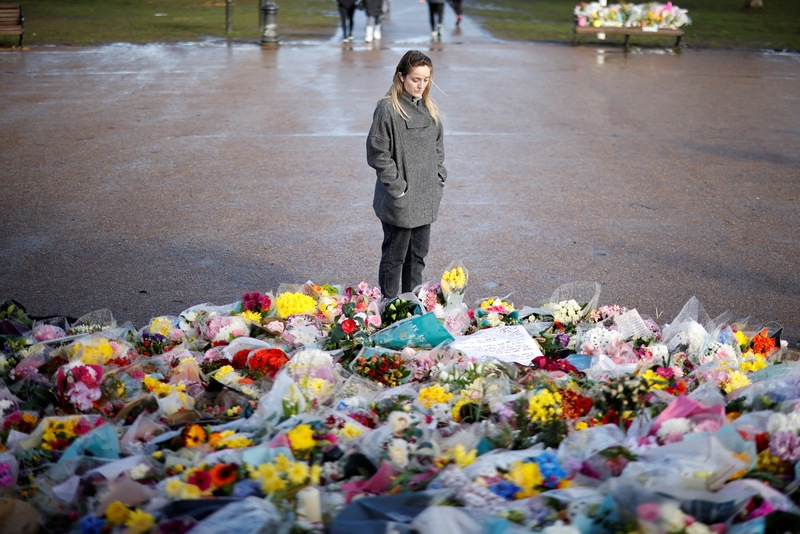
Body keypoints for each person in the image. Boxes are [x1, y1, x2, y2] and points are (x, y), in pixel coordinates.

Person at [366, 50, 447, 301]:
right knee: (395, 256)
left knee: (417, 257)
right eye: (415, 79)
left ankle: (412, 306)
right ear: (401, 77)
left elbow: (438, 147)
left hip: (426, 196)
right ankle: (389, 307)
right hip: (399, 198)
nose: (421, 85)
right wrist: (398, 187)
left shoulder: (430, 109)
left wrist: (438, 177)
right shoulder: (388, 109)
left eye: (426, 79)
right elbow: (377, 151)